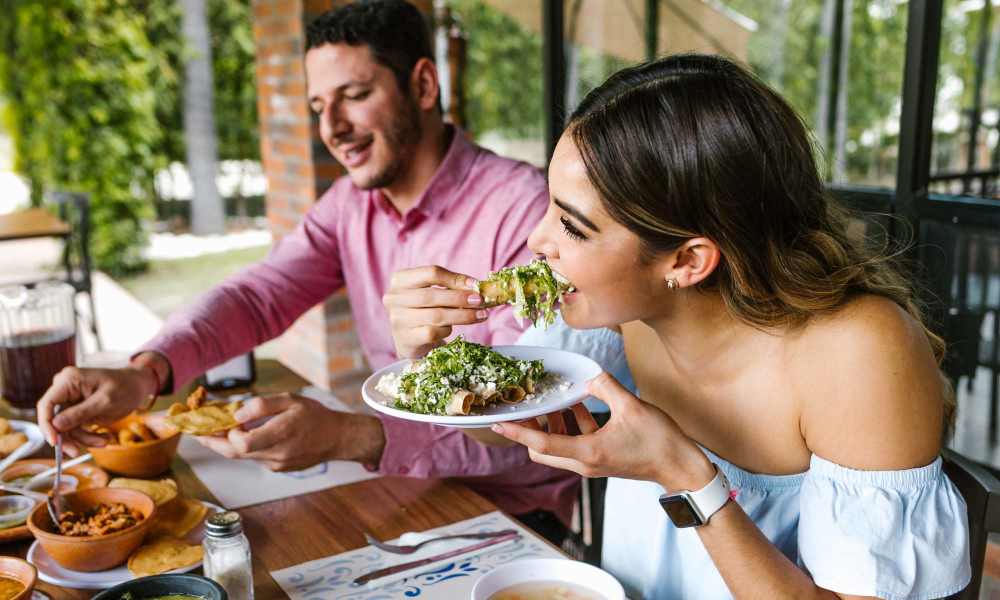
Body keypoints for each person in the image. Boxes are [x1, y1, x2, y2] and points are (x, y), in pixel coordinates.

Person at [386, 54, 971, 599]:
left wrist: (684, 474)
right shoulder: (622, 314)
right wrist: (429, 364)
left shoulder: (860, 353)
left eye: (573, 227)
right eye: (550, 207)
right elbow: (509, 427)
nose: (536, 242)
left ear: (688, 261)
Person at [35, 0, 577, 541]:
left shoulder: (524, 210)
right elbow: (259, 296)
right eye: (319, 106)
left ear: (424, 85)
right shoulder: (348, 206)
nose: (332, 128)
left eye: (355, 96)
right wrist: (146, 372)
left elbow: (533, 426)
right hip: (399, 488)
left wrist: (351, 437)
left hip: (515, 518)